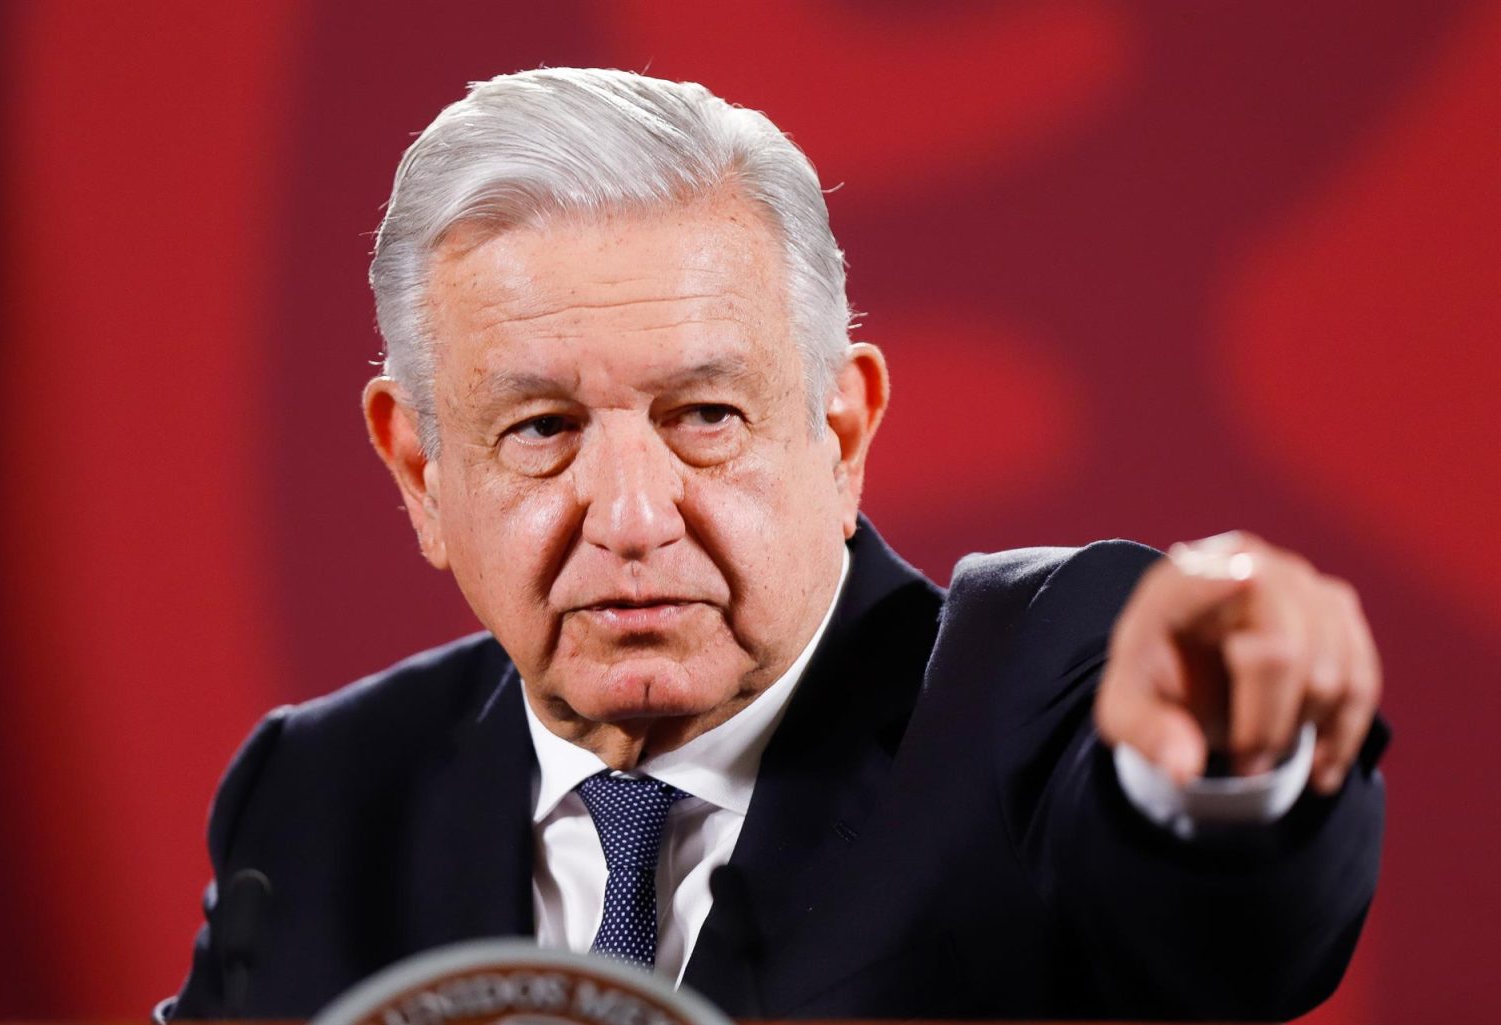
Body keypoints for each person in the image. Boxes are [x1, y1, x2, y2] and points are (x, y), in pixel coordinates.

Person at [165, 68, 1385, 1021]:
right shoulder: (320, 793)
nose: (636, 518)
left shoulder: (1031, 683)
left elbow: (1225, 933)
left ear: (840, 428)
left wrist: (1228, 770)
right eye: (540, 429)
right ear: (422, 471)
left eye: (705, 417)